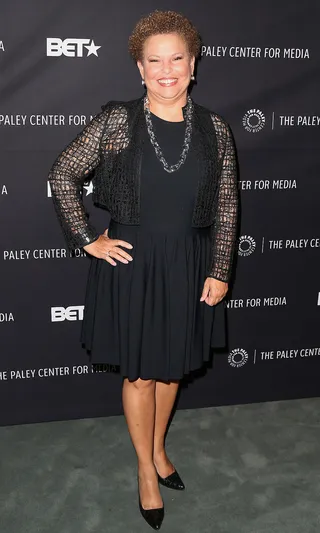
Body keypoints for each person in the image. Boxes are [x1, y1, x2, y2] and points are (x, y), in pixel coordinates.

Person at [48, 9, 239, 530]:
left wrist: (220, 268)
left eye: (177, 58)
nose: (167, 69)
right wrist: (87, 238)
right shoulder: (118, 120)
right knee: (140, 372)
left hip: (189, 262)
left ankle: (157, 450)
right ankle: (145, 471)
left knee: (171, 366)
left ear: (193, 63)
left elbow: (225, 205)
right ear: (140, 67)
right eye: (155, 60)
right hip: (133, 264)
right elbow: (62, 173)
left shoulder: (216, 130)